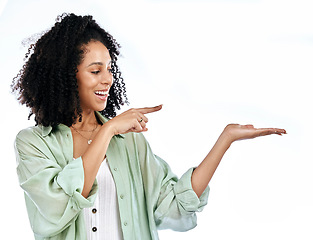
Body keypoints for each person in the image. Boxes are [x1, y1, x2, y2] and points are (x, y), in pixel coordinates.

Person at [11, 13, 286, 240]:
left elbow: (172, 207)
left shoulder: (130, 142)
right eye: (96, 71)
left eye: (110, 68)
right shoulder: (33, 143)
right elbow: (56, 205)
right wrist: (107, 131)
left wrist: (225, 140)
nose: (108, 79)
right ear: (66, 76)